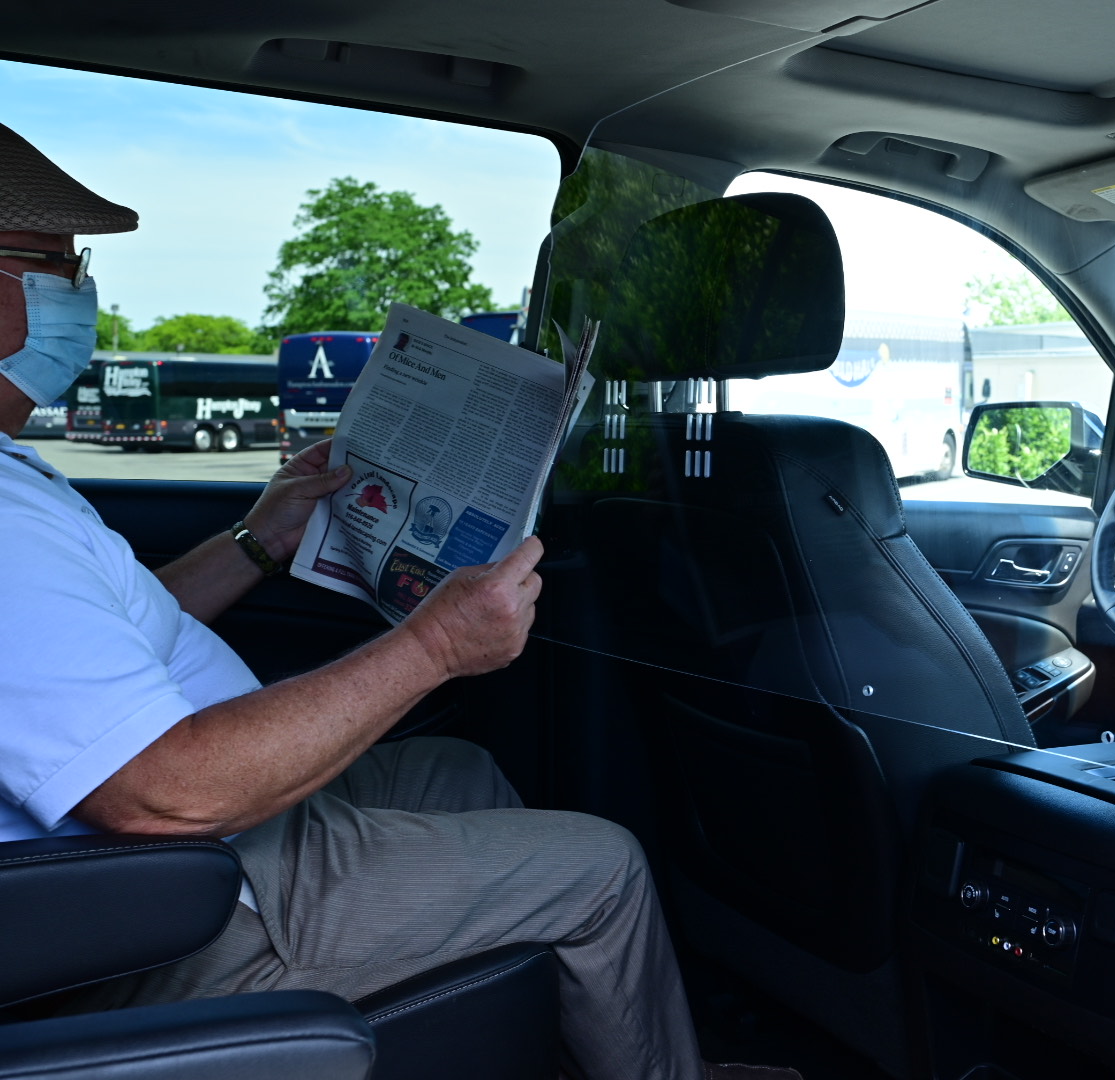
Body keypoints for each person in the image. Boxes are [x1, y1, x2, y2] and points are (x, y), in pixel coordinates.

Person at [0, 122, 798, 1080]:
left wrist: (262, 539)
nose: (77, 289)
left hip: (188, 857)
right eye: (52, 262)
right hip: (181, 902)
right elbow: (166, 796)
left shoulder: (16, 477)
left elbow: (95, 647)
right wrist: (433, 649)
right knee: (602, 866)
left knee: (457, 770)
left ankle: (559, 1032)